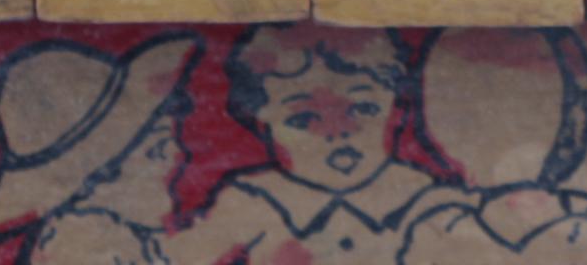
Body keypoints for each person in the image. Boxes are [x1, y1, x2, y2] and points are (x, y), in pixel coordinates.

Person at [170, 26, 466, 265]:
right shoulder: (254, 200)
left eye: (364, 108)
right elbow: (176, 251)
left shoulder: (425, 197)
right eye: (303, 119)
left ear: (393, 104)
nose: (338, 132)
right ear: (261, 119)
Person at [0, 34, 203, 265]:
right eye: (157, 149)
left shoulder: (129, 243)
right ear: (100, 178)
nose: (179, 155)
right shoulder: (75, 246)